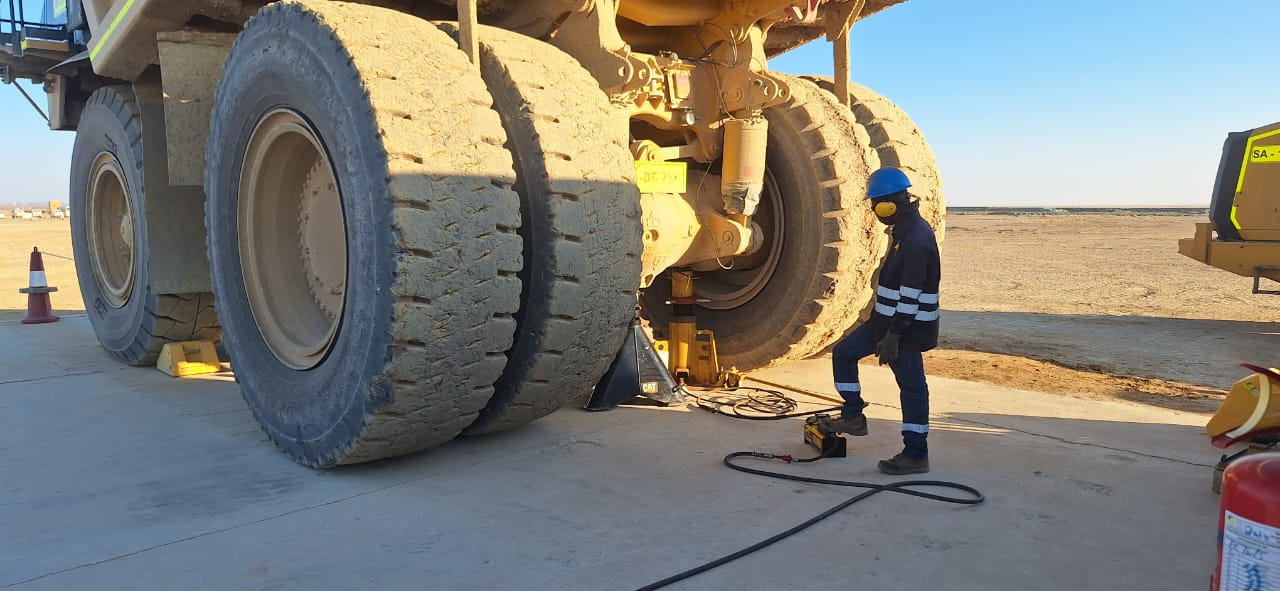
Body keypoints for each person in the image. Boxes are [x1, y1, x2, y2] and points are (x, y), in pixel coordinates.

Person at [822, 166, 941, 475]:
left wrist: (894, 337)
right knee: (844, 353)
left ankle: (916, 453)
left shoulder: (915, 239)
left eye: (876, 204)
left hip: (905, 331)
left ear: (889, 204)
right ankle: (854, 416)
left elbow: (911, 295)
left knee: (913, 388)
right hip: (883, 324)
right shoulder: (903, 231)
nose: (875, 211)